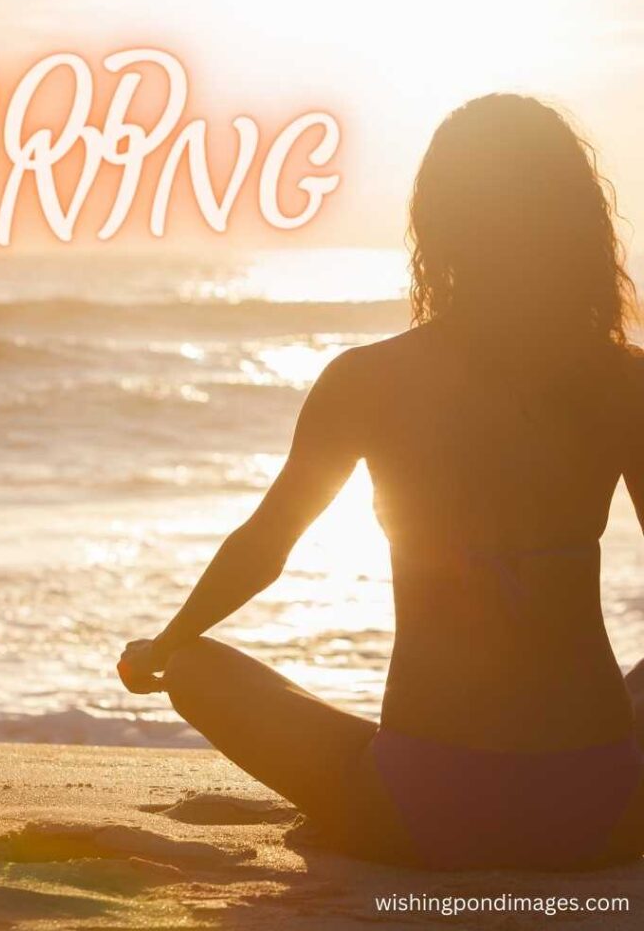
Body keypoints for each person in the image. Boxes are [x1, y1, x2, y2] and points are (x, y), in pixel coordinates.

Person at [117, 94, 644, 870]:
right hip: (607, 811)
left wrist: (163, 647)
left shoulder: (366, 378)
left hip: (421, 807)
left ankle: (359, 812)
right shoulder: (622, 382)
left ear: (436, 222)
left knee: (195, 667)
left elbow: (267, 547)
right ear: (573, 223)